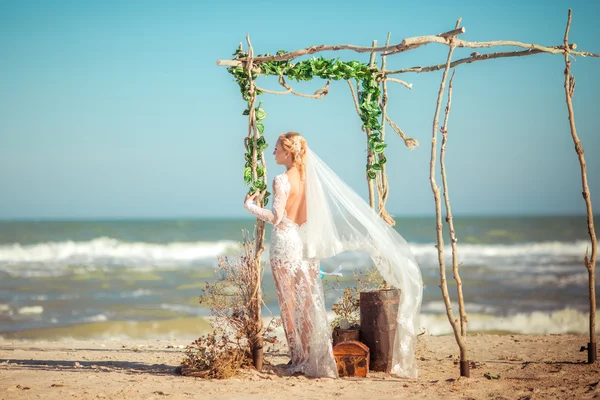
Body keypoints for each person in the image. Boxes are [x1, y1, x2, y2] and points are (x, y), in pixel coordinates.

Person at [244, 132, 423, 379]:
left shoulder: (281, 180)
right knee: (306, 300)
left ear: (288, 152)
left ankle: (299, 357)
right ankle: (308, 355)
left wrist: (250, 207)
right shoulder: (310, 180)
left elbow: (276, 217)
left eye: (276, 149)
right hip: (306, 243)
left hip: (286, 242)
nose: (273, 152)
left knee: (289, 302)